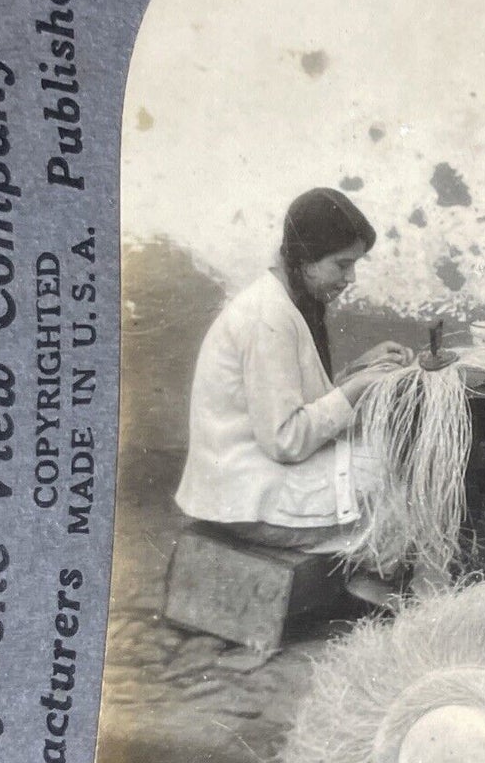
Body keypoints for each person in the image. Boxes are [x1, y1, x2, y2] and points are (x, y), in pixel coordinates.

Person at [175, 187, 415, 603]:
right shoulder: (267, 317)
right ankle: (366, 579)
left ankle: (365, 575)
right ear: (305, 260)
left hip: (246, 478)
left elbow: (292, 400)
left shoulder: (280, 301)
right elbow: (286, 438)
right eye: (342, 264)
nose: (350, 278)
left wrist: (359, 368)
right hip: (244, 497)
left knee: (387, 460)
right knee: (397, 475)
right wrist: (358, 388)